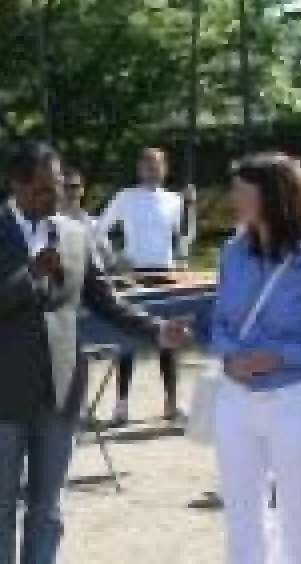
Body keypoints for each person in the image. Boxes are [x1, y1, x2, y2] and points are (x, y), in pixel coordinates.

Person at [0, 141, 189, 564]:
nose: (56, 197)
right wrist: (27, 277)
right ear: (17, 186)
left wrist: (157, 330)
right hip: (4, 394)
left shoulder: (77, 235)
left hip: (61, 393)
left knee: (48, 510)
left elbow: (107, 302)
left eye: (60, 186)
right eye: (44, 189)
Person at [210, 153, 301, 564]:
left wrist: (280, 357)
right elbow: (218, 321)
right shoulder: (231, 253)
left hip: (295, 401)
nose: (234, 198)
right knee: (241, 518)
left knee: (299, 519)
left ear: (272, 196)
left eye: (242, 191)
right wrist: (230, 355)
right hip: (234, 399)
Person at [96, 147, 195, 426]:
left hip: (165, 274)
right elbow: (100, 229)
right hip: (134, 276)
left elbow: (185, 238)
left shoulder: (174, 200)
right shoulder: (125, 197)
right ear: (139, 169)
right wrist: (115, 260)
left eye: (157, 165)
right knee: (128, 336)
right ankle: (121, 405)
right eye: (147, 165)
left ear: (165, 169)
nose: (152, 170)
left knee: (168, 336)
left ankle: (171, 403)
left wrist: (190, 208)